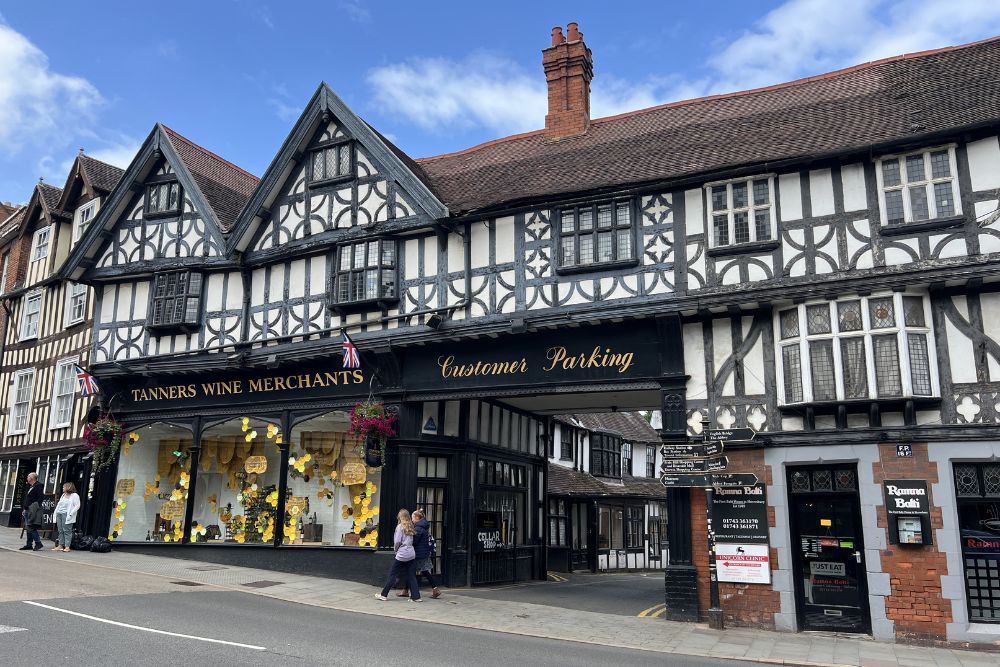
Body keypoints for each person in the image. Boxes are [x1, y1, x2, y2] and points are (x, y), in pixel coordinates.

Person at [375, 509, 421, 602]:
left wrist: (396, 551)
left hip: (402, 554)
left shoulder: (400, 527)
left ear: (400, 517)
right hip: (411, 554)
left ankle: (383, 595)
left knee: (393, 575)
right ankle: (416, 597)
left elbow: (397, 542)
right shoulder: (411, 525)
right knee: (411, 575)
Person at [399, 509, 441, 599]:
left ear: (417, 518)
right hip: (423, 553)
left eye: (413, 517)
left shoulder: (418, 528)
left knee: (412, 571)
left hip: (418, 554)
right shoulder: (422, 526)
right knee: (422, 571)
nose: (412, 519)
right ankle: (406, 590)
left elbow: (414, 541)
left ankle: (434, 589)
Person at [53, 482, 80, 552]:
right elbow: (59, 504)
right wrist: (56, 512)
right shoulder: (63, 495)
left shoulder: (74, 495)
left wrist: (71, 514)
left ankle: (67, 546)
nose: (62, 488)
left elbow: (77, 505)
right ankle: (60, 545)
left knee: (67, 531)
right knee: (60, 530)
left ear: (68, 487)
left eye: (64, 487)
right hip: (59, 513)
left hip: (66, 514)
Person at [19, 472, 44, 551]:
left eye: (28, 476)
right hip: (27, 509)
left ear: (32, 478)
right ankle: (29, 544)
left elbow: (40, 498)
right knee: (28, 527)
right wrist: (25, 509)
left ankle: (38, 543)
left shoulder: (38, 486)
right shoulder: (30, 486)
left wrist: (34, 508)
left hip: (32, 510)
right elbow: (28, 499)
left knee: (32, 527)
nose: (27, 477)